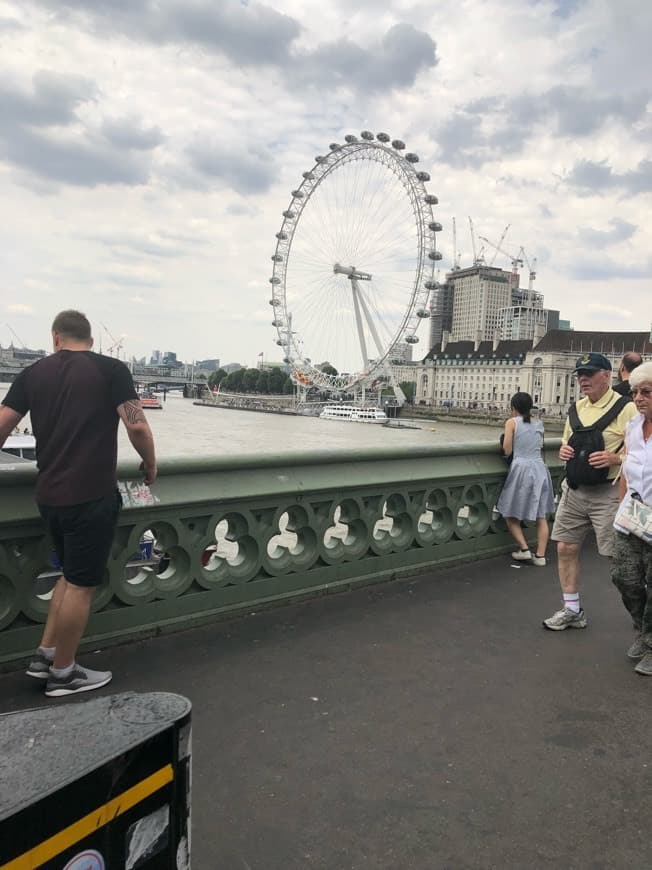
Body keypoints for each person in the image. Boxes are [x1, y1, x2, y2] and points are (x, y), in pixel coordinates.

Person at [0, 310, 157, 696]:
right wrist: (150, 461)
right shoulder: (111, 370)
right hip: (91, 494)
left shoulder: (33, 374)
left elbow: (3, 424)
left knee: (68, 576)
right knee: (82, 584)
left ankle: (45, 656)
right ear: (88, 337)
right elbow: (136, 423)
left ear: (56, 338)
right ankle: (64, 674)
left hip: (49, 495)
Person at [543, 352, 638, 630]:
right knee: (565, 547)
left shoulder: (626, 409)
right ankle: (572, 610)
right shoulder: (576, 408)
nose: (583, 379)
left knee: (618, 560)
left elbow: (643, 451)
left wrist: (615, 459)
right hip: (575, 490)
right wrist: (564, 451)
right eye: (580, 374)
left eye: (589, 373)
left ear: (607, 375)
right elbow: (565, 443)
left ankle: (643, 616)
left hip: (608, 492)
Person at [611, 361, 652, 675]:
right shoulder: (633, 427)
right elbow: (626, 465)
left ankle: (651, 643)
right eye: (635, 392)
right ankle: (642, 627)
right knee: (624, 577)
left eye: (646, 392)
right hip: (634, 515)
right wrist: (621, 504)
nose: (638, 398)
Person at [497, 392, 555, 566]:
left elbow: (507, 450)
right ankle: (540, 556)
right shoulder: (539, 423)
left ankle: (524, 550)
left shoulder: (512, 422)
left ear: (513, 407)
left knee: (508, 511)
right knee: (540, 516)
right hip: (540, 469)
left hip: (521, 469)